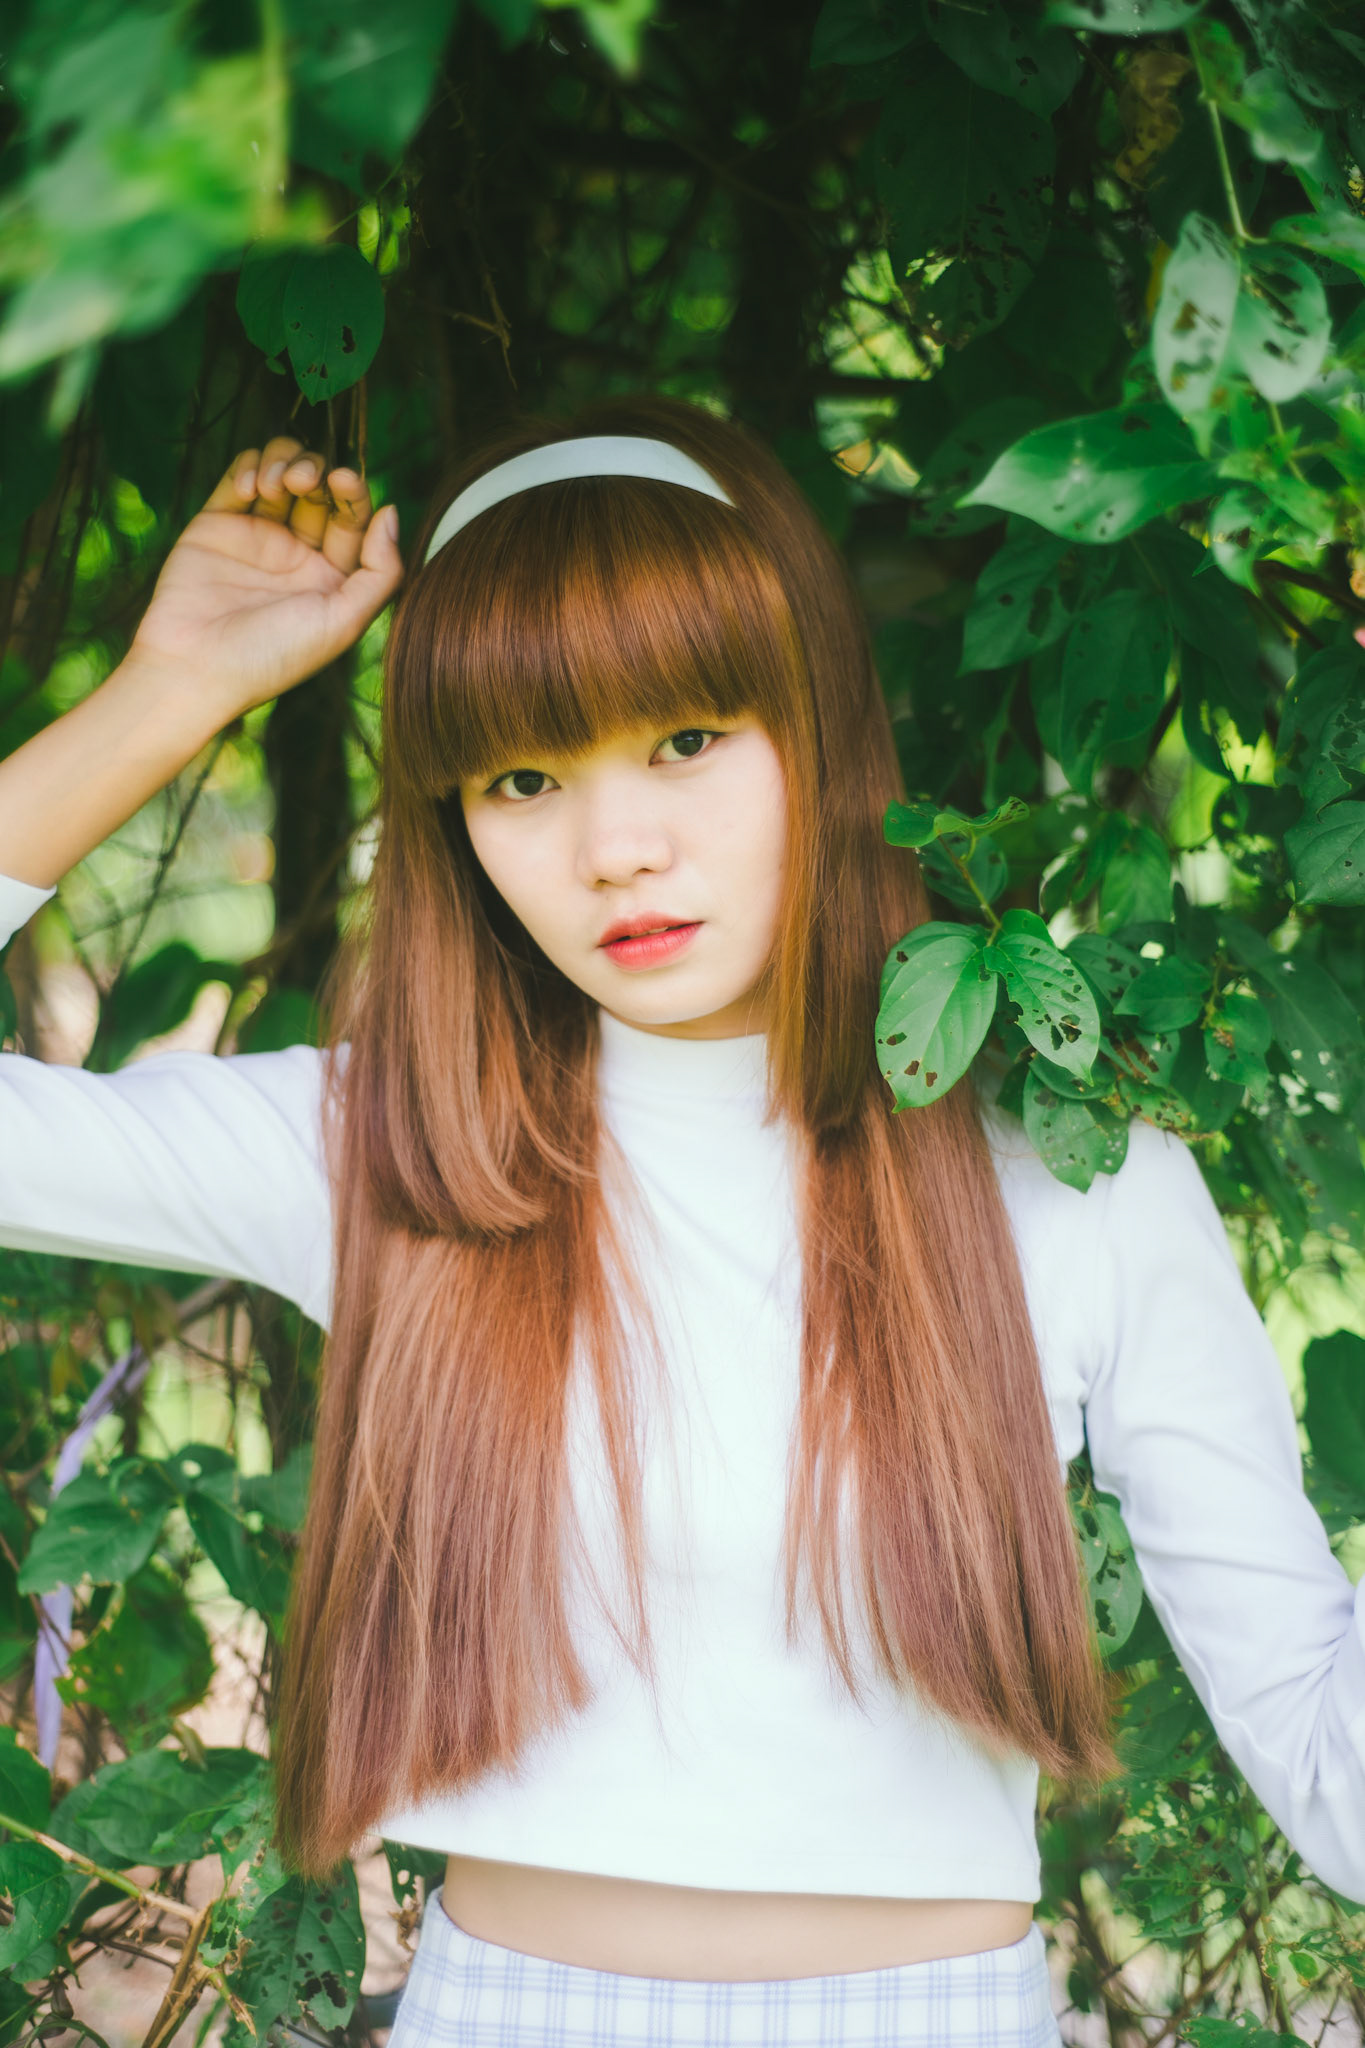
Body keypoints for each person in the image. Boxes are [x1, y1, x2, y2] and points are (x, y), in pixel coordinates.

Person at [0, 396, 1362, 2048]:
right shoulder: (387, 1151)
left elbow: (1326, 1754)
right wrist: (168, 694)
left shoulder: (1074, 1188)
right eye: (522, 777)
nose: (615, 849)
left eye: (688, 739)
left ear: (816, 730)